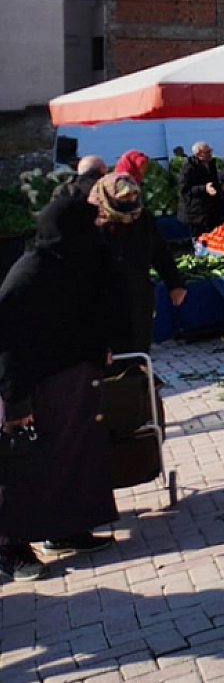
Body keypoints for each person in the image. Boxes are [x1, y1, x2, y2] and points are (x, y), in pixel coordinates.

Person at [0, 194, 126, 580]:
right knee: (25, 467)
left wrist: (99, 348)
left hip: (69, 381)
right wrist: (16, 404)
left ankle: (64, 529)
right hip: (32, 386)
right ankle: (10, 549)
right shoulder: (30, 274)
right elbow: (7, 344)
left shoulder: (72, 263)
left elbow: (84, 314)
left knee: (70, 460)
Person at [89, 173, 185, 355]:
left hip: (139, 297)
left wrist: (175, 283)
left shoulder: (143, 219)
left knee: (139, 349)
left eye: (134, 195)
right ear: (108, 196)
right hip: (105, 301)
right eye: (125, 197)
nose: (131, 200)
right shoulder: (93, 224)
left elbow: (160, 252)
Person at [176, 142, 221, 236]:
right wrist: (204, 188)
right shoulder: (189, 166)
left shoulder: (211, 163)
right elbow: (184, 189)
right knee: (198, 238)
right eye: (207, 152)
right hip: (195, 211)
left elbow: (213, 182)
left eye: (210, 151)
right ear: (198, 154)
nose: (210, 154)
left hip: (211, 209)